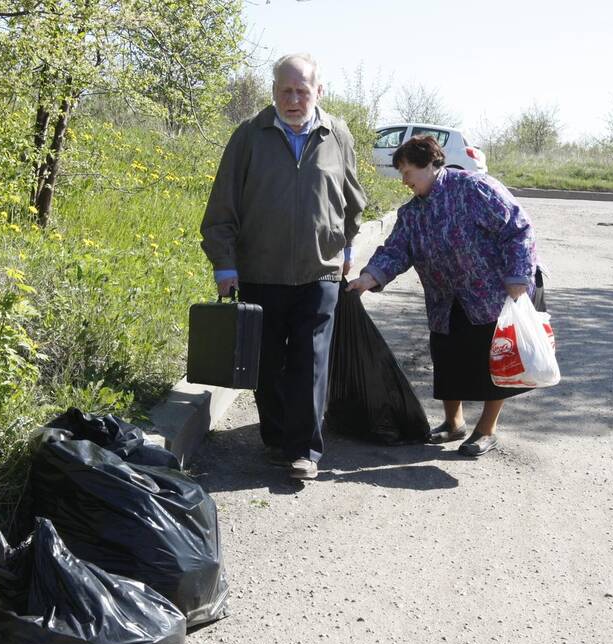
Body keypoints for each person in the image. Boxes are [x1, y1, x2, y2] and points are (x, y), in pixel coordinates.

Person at [200, 53, 366, 484]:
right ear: (273, 92)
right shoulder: (249, 136)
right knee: (267, 363)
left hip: (320, 270)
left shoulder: (337, 134)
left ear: (318, 92)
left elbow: (352, 198)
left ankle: (304, 450)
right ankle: (276, 438)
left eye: (302, 91)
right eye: (285, 91)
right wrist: (224, 265)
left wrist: (346, 245)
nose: (293, 100)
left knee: (310, 360)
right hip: (260, 270)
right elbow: (223, 205)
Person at [346, 134, 537, 457]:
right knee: (448, 360)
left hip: (491, 295)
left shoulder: (473, 188)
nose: (404, 181)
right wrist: (368, 278)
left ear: (429, 165)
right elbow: (395, 251)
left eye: (407, 172)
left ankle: (486, 430)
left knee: (494, 364)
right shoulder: (412, 213)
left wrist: (519, 275)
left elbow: (517, 227)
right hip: (445, 300)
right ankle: (453, 423)